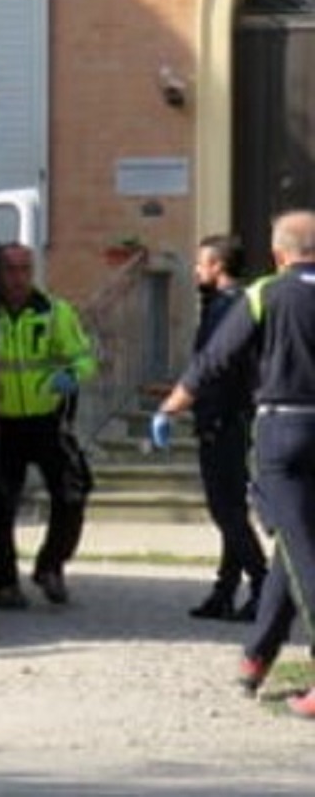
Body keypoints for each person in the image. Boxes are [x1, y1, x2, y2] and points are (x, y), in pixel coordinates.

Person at [152, 210, 315, 719]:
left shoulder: (265, 293)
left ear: (280, 253)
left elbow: (216, 358)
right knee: (294, 542)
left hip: (281, 432)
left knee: (304, 549)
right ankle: (258, 655)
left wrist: (171, 406)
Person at [0, 242, 98, 609]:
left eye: (24, 269)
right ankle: (3, 582)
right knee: (1, 505)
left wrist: (70, 374)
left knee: (73, 493)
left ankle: (50, 566)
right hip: (0, 424)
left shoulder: (54, 311)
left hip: (48, 421)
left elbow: (85, 360)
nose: (18, 278)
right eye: (10, 270)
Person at [184, 234, 267, 622]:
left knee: (227, 511)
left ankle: (262, 584)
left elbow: (220, 367)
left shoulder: (228, 308)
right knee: (230, 509)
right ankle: (225, 590)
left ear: (217, 266)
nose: (196, 269)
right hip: (227, 416)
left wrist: (207, 413)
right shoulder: (225, 305)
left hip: (224, 418)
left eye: (202, 263)